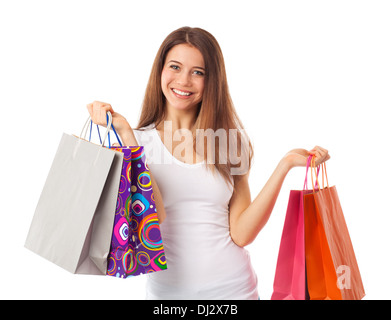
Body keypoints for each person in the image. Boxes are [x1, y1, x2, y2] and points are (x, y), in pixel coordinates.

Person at [86, 26, 330, 300]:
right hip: (168, 297)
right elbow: (153, 217)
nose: (184, 80)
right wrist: (128, 136)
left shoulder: (228, 143)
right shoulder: (137, 143)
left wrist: (284, 166)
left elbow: (241, 234)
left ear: (212, 80)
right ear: (160, 72)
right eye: (175, 67)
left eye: (198, 72)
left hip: (236, 292)